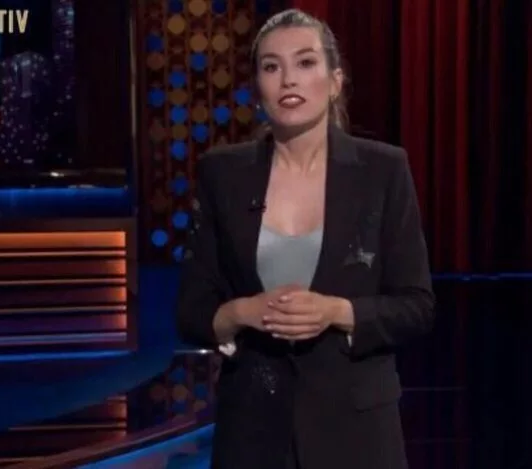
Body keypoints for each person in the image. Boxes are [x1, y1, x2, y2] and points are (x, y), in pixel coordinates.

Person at [176, 8, 435, 469]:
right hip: (253, 430)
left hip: (357, 431)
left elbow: (416, 306)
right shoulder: (222, 174)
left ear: (335, 81)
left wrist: (336, 312)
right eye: (271, 67)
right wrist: (243, 312)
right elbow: (191, 311)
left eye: (305, 62)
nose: (288, 79)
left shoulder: (383, 171)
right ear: (258, 87)